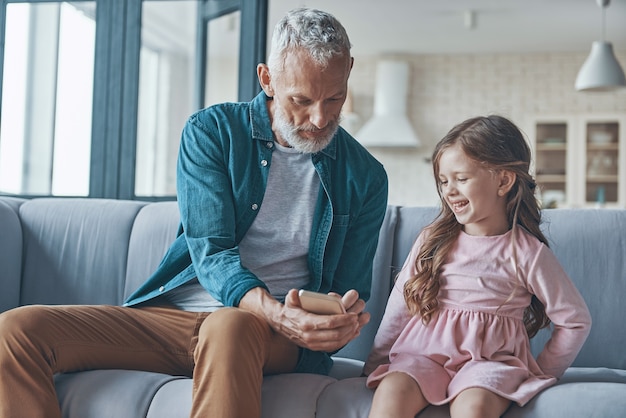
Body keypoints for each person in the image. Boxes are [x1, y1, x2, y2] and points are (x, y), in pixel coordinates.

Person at [0, 8, 388, 418]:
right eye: (302, 100)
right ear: (267, 79)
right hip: (173, 319)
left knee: (231, 325)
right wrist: (273, 310)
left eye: (335, 98)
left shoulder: (365, 177)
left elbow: (351, 289)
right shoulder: (213, 132)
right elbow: (211, 252)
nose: (320, 118)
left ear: (348, 73)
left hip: (270, 336)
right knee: (17, 330)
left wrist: (335, 324)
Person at [363, 115, 591, 418]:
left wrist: (544, 372)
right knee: (392, 394)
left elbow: (575, 320)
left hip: (489, 365)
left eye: (461, 179)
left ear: (504, 181)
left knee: (474, 408)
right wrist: (376, 361)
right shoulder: (432, 239)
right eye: (444, 181)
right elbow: (400, 306)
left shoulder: (527, 252)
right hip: (422, 356)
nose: (449, 191)